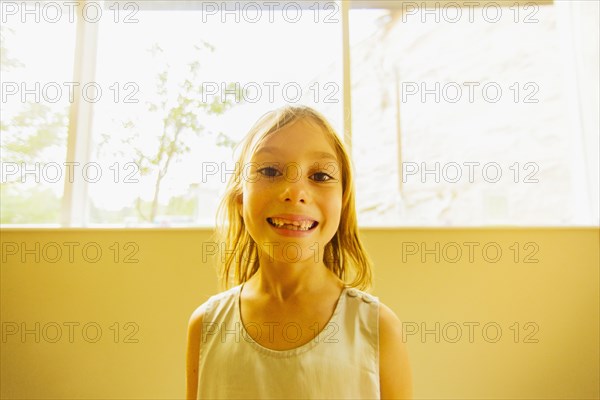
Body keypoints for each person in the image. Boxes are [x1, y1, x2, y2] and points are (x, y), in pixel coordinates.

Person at [186, 105, 413, 399]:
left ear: (343, 201)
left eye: (319, 176)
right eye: (269, 170)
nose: (295, 192)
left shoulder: (379, 329)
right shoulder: (205, 326)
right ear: (240, 197)